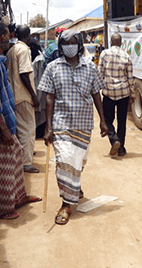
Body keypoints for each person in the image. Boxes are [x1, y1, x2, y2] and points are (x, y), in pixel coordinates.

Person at [38, 29, 107, 225]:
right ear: (60, 46)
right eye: (66, 43)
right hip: (61, 123)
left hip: (83, 124)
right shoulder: (52, 68)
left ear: (79, 45)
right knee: (64, 160)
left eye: (73, 43)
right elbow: (49, 97)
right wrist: (48, 127)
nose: (70, 47)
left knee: (78, 161)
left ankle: (74, 184)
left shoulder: (90, 67)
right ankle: (66, 204)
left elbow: (96, 94)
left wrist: (103, 120)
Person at [0, 22, 41, 220]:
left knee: (14, 161)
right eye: (7, 36)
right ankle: (0, 208)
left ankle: (18, 197)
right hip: (0, 125)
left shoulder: (0, 60)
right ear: (0, 39)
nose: (10, 38)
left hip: (8, 120)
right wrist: (3, 128)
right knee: (1, 168)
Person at [5, 25, 40, 173]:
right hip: (24, 96)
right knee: (28, 130)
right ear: (29, 36)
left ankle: (20, 159)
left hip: (13, 95)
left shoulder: (11, 50)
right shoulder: (24, 50)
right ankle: (26, 163)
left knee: (20, 130)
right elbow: (24, 73)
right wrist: (33, 95)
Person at [99, 33, 135, 157]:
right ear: (121, 43)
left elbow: (100, 73)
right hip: (123, 93)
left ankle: (114, 139)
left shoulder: (104, 54)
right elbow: (130, 78)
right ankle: (121, 149)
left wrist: (97, 88)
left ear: (111, 42)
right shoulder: (126, 56)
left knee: (107, 119)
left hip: (108, 92)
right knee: (122, 121)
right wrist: (133, 93)